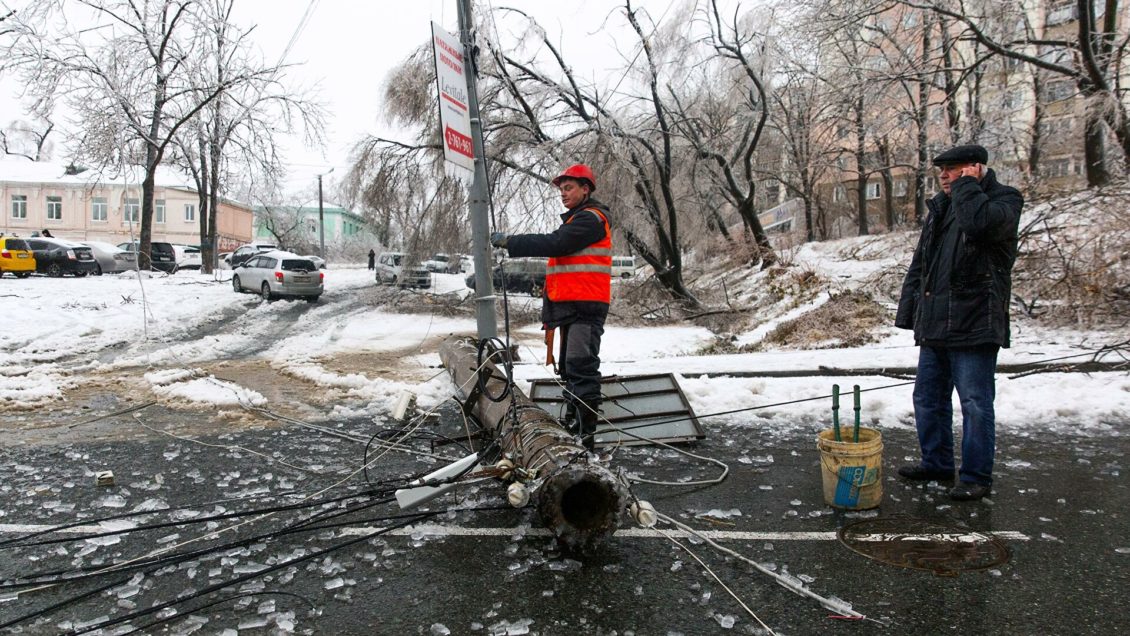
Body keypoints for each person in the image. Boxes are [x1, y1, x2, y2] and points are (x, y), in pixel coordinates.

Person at [895, 144, 1024, 501]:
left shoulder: (1005, 200)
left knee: (975, 403)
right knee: (928, 398)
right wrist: (911, 313)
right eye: (941, 170)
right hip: (936, 322)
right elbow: (922, 265)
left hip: (975, 322)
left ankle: (976, 476)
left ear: (975, 168)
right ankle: (936, 463)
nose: (944, 176)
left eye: (952, 169)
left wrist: (967, 187)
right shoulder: (941, 207)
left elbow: (978, 225)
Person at [490, 164, 612, 450]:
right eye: (561, 189)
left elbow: (556, 243)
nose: (563, 194)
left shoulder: (591, 219)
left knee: (580, 368)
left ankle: (584, 438)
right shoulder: (578, 219)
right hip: (573, 306)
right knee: (571, 369)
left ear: (585, 189)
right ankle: (574, 429)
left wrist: (512, 242)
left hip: (584, 307)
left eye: (569, 188)